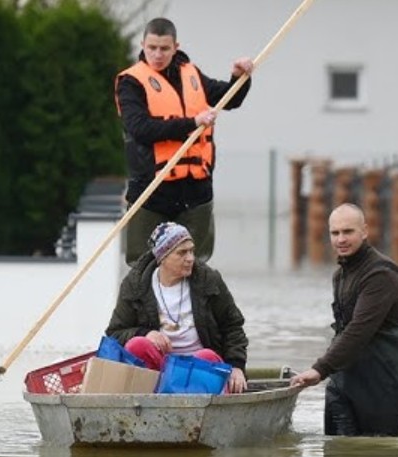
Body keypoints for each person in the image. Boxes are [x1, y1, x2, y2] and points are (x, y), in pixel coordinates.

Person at [115, 17, 254, 265]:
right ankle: (149, 305)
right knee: (144, 266)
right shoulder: (131, 82)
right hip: (152, 189)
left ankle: (193, 305)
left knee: (195, 266)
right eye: (152, 48)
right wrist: (191, 124)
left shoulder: (191, 73)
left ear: (175, 47)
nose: (157, 54)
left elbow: (229, 100)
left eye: (164, 48)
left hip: (196, 190)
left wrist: (239, 79)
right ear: (143, 45)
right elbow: (140, 128)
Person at [290, 203, 398, 437]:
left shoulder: (381, 274)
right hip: (344, 382)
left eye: (348, 232)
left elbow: (359, 330)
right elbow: (342, 330)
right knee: (337, 448)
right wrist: (327, 370)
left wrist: (320, 369)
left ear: (365, 231)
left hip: (383, 386)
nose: (341, 239)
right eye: (335, 233)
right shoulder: (340, 275)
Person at [105, 221, 249, 394]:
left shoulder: (208, 279)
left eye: (191, 251)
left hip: (200, 366)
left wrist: (236, 366)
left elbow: (232, 326)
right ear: (162, 257)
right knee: (137, 345)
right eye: (182, 253)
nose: (190, 258)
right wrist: (145, 334)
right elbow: (115, 333)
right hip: (161, 368)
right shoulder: (135, 285)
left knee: (206, 356)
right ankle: (151, 402)